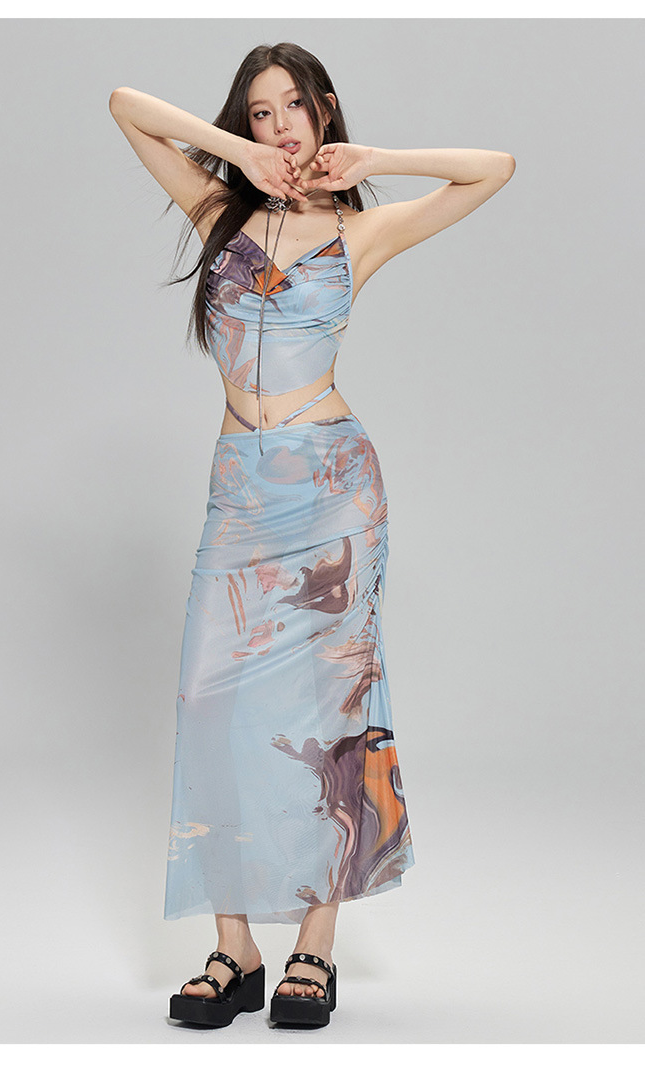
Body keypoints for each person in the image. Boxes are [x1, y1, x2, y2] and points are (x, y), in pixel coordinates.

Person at [109, 41, 515, 1029]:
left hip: (333, 490)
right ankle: (235, 947)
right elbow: (125, 104)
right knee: (213, 707)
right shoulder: (219, 211)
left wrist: (375, 160)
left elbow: (494, 169)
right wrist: (234, 158)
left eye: (293, 106)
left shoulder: (356, 232)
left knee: (335, 713)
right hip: (241, 494)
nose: (280, 125)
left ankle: (315, 947)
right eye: (260, 112)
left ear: (323, 109)